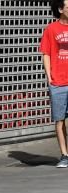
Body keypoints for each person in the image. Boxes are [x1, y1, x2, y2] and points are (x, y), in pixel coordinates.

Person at [40, 0, 68, 167]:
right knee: (59, 120)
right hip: (58, 81)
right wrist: (49, 77)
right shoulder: (51, 29)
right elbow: (46, 53)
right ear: (60, 9)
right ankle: (64, 155)